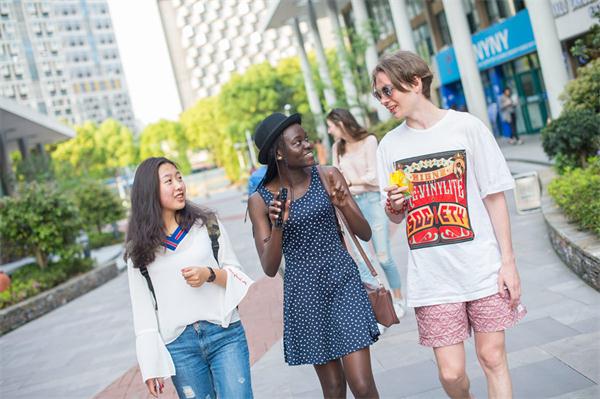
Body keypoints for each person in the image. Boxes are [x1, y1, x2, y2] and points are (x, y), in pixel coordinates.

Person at [372, 51, 526, 399]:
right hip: (433, 277)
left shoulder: (466, 127)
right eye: (378, 94)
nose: (384, 100)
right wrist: (395, 206)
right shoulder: (390, 146)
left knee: (492, 357)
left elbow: (494, 196)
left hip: (481, 266)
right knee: (451, 374)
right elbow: (396, 214)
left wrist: (509, 263)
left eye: (387, 90)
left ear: (414, 82)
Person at [247, 112, 380, 398]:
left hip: (343, 282)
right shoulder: (259, 201)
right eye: (299, 142)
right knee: (333, 388)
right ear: (279, 153)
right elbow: (269, 268)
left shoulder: (328, 175)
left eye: (306, 139)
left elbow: (365, 232)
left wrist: (343, 205)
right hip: (304, 294)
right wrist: (278, 225)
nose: (308, 145)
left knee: (362, 384)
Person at [125, 157, 254, 399]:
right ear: (149, 191)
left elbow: (237, 276)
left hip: (224, 334)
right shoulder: (139, 249)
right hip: (180, 346)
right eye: (169, 181)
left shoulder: (207, 226)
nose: (179, 185)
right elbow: (142, 310)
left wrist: (209, 274)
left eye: (179, 177)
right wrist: (150, 364)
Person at [326, 108, 405, 321]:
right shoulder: (337, 148)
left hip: (371, 201)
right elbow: (334, 176)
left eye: (331, 126)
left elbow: (375, 178)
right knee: (362, 259)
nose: (329, 130)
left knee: (384, 256)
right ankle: (378, 307)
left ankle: (398, 299)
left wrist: (351, 182)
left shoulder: (369, 141)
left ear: (341, 123)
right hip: (351, 205)